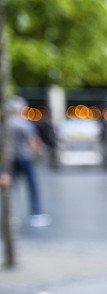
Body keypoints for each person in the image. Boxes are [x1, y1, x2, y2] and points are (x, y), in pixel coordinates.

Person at [9, 97, 50, 227]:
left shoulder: (5, 124)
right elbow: (33, 141)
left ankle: (11, 215)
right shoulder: (24, 123)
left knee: (11, 188)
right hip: (25, 158)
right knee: (33, 186)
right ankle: (36, 213)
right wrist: (40, 151)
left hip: (11, 158)